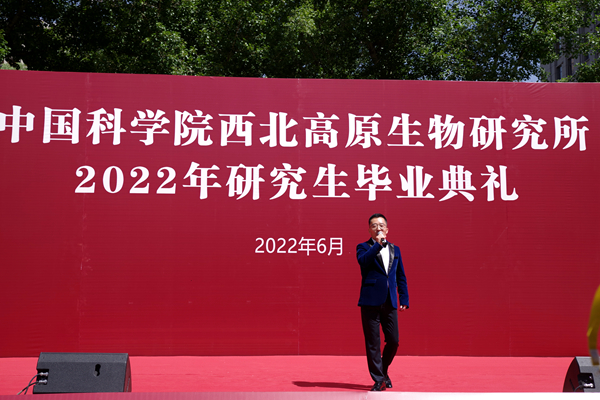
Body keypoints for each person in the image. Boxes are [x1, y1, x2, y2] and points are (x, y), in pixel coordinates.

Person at [356, 213, 409, 391]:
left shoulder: (395, 249)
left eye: (381, 225)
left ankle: (383, 370)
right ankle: (378, 379)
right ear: (369, 230)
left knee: (393, 341)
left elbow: (400, 276)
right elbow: (363, 262)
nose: (378, 228)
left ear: (387, 229)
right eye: (374, 225)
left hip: (390, 300)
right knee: (373, 343)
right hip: (370, 301)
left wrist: (404, 297)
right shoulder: (363, 247)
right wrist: (377, 245)